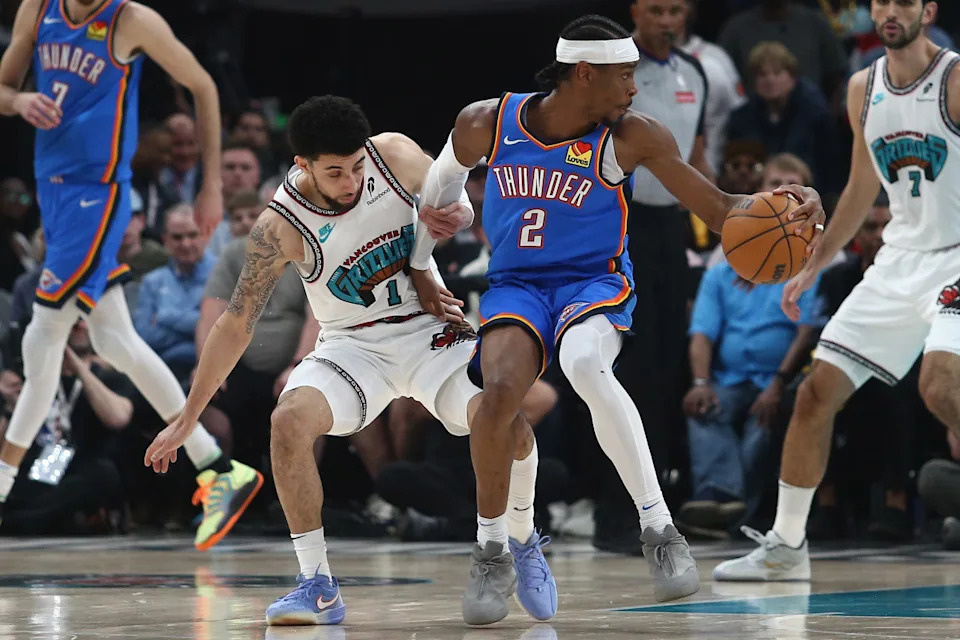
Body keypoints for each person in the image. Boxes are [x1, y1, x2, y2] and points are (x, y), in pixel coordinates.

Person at [409, 12, 825, 615]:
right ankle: (492, 550)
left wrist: (789, 202)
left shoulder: (633, 135)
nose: (635, 88)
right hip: (517, 285)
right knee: (497, 394)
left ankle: (659, 530)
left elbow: (720, 206)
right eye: (625, 76)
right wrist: (426, 262)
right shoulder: (486, 122)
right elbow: (440, 186)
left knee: (583, 364)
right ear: (584, 73)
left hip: (593, 282)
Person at [143, 96, 557, 627]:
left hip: (429, 331)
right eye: (335, 171)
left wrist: (442, 233)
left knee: (509, 426)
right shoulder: (280, 225)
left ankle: (519, 538)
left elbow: (455, 199)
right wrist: (188, 416)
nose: (351, 180)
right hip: (351, 347)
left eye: (356, 166)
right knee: (289, 419)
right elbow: (235, 323)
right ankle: (316, 584)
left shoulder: (391, 154)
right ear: (303, 166)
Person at [0, 0, 263, 550]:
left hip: (97, 195)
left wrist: (211, 184)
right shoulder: (38, 8)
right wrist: (20, 98)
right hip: (54, 189)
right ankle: (216, 469)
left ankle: (0, 486)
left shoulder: (130, 20)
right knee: (113, 340)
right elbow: (2, 90)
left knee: (42, 337)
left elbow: (204, 87)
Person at [714, 0, 960, 582]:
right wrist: (813, 266)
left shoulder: (953, 78)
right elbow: (858, 189)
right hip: (899, 258)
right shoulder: (861, 86)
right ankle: (785, 546)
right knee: (815, 392)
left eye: (903, 1)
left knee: (939, 384)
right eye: (881, 2)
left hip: (956, 255)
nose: (889, 11)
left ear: (928, 10)